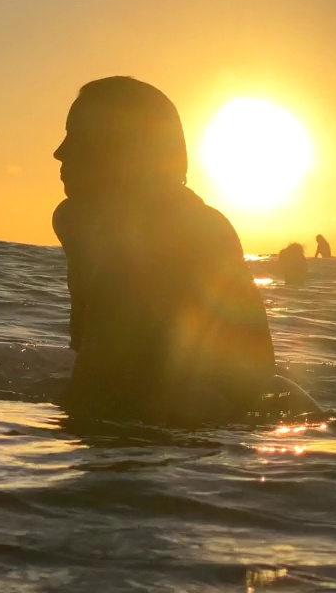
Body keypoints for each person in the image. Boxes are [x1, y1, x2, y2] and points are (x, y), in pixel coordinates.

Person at [52, 76, 276, 424]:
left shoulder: (170, 231)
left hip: (218, 419)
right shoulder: (82, 221)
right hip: (198, 419)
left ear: (122, 149)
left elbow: (103, 378)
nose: (59, 152)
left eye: (77, 137)